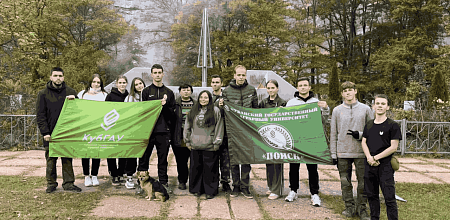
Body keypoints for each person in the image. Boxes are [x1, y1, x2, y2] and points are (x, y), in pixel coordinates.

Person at [330, 81, 373, 219]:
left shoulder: (366, 109)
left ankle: (362, 208)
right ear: (342, 93)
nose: (348, 92)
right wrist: (333, 153)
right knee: (345, 182)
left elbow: (371, 130)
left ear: (355, 91)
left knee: (363, 182)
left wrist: (360, 135)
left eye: (350, 89)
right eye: (345, 90)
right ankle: (349, 207)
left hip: (361, 152)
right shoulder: (337, 110)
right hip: (343, 152)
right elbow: (333, 133)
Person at [36, 67, 82, 193]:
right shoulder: (43, 94)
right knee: (51, 160)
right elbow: (40, 115)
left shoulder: (71, 92)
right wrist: (45, 132)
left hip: (66, 133)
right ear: (51, 77)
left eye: (60, 76)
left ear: (63, 77)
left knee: (67, 159)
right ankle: (51, 183)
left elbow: (78, 112)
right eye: (55, 75)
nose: (58, 78)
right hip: (50, 133)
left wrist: (75, 101)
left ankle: (68, 183)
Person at [285, 77, 329, 206]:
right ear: (297, 88)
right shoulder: (291, 102)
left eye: (305, 85)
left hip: (311, 139)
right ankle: (293, 190)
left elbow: (324, 120)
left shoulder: (316, 102)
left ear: (309, 87)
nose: (303, 87)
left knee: (312, 167)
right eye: (300, 85)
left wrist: (326, 108)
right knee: (294, 166)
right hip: (296, 139)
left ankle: (314, 193)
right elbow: (285, 119)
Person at [220, 65, 258, 199]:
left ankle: (245, 187)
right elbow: (224, 112)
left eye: (243, 75)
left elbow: (256, 111)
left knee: (246, 160)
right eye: (239, 75)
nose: (241, 77)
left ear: (245, 75)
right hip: (233, 131)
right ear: (234, 75)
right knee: (234, 159)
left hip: (247, 131)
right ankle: (235, 186)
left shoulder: (252, 90)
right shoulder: (227, 91)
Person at [137, 64, 176, 193]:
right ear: (152, 75)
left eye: (160, 72)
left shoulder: (169, 93)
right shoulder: (146, 91)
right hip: (148, 131)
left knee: (163, 158)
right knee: (144, 158)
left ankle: (163, 182)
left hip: (163, 132)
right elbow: (143, 111)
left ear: (163, 74)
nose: (158, 75)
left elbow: (172, 114)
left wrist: (164, 106)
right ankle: (141, 183)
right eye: (155, 72)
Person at [362, 94, 400, 220]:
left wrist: (375, 158)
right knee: (372, 197)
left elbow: (393, 147)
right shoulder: (368, 124)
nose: (380, 106)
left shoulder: (393, 125)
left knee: (389, 198)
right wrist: (369, 158)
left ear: (387, 107)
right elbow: (364, 142)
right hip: (370, 165)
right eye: (377, 103)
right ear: (373, 106)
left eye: (383, 104)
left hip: (385, 166)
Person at [184, 90, 224, 199]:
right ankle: (197, 189)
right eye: (201, 97)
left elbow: (219, 127)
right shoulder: (193, 110)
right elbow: (187, 126)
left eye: (206, 98)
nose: (203, 99)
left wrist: (217, 142)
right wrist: (187, 140)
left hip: (210, 146)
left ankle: (210, 191)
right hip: (195, 145)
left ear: (210, 99)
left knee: (210, 170)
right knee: (196, 169)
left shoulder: (215, 111)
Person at [77, 74, 108, 187]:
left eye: (98, 82)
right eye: (94, 82)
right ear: (90, 82)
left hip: (99, 127)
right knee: (85, 152)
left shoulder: (104, 95)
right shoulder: (82, 94)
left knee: (96, 152)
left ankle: (94, 175)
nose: (96, 84)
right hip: (85, 127)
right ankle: (86, 176)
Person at [258, 80, 287, 200]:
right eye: (268, 88)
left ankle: (277, 190)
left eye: (273, 88)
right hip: (267, 136)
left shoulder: (282, 102)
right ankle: (270, 187)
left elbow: (287, 119)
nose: (270, 90)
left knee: (277, 164)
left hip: (278, 137)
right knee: (269, 162)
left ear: (277, 89)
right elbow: (257, 117)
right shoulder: (263, 102)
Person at [105, 75, 129, 186]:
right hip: (112, 127)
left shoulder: (129, 96)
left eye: (124, 82)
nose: (122, 84)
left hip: (125, 127)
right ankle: (113, 174)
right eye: (120, 82)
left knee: (123, 151)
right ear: (116, 84)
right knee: (112, 151)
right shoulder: (110, 96)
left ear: (127, 84)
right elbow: (105, 111)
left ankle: (121, 173)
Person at [123, 77, 146, 189]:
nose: (139, 86)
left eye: (140, 83)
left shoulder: (148, 97)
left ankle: (141, 176)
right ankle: (129, 176)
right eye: (136, 84)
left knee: (143, 154)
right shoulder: (129, 98)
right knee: (131, 154)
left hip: (145, 129)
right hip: (132, 130)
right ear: (133, 86)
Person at [211, 74, 231, 193]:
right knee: (213, 159)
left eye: (217, 82)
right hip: (212, 133)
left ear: (221, 84)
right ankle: (214, 181)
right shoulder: (207, 97)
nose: (215, 84)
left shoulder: (227, 97)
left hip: (225, 133)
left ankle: (225, 182)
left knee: (225, 159)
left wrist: (224, 106)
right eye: (213, 82)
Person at [172, 84, 195, 190]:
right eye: (183, 90)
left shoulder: (196, 104)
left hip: (193, 135)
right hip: (179, 135)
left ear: (191, 92)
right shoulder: (175, 103)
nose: (186, 92)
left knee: (194, 160)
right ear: (180, 91)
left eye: (188, 90)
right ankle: (182, 181)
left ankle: (194, 181)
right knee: (181, 161)